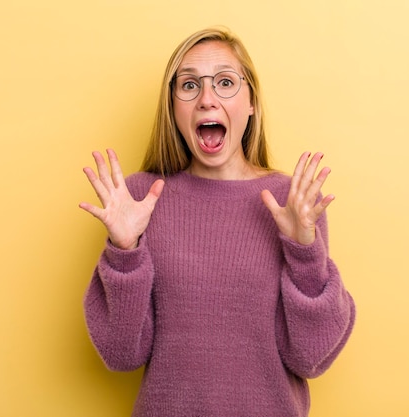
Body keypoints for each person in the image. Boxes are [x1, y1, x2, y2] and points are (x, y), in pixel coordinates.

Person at [80, 27, 355, 417]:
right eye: (189, 85)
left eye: (225, 82)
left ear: (251, 103)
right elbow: (121, 355)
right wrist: (124, 253)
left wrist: (306, 255)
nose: (207, 99)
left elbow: (310, 359)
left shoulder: (290, 201)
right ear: (173, 106)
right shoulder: (140, 199)